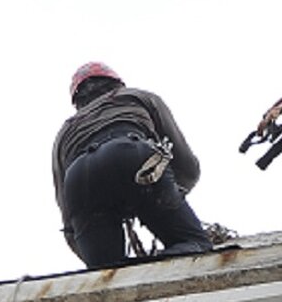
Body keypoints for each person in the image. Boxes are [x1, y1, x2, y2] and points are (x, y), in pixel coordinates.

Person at [52, 62, 212, 268]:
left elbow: (67, 211)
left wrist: (93, 253)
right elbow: (188, 168)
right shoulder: (138, 97)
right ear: (117, 84)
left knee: (105, 271)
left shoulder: (64, 132)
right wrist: (167, 197)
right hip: (133, 156)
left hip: (80, 178)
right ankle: (159, 265)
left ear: (77, 101)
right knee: (195, 243)